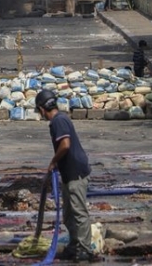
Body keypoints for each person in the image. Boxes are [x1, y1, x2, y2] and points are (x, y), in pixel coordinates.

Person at [35, 89, 95, 262]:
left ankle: (85, 249)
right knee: (68, 213)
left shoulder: (58, 121)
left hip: (76, 172)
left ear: (41, 109)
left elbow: (65, 144)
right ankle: (74, 244)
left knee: (79, 212)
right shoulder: (59, 119)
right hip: (69, 173)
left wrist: (53, 162)